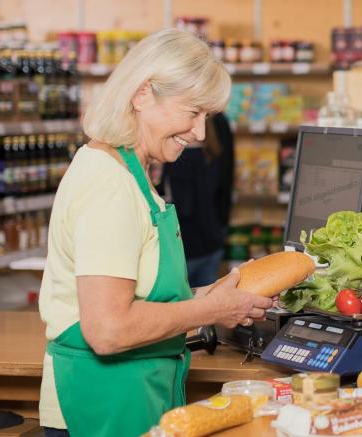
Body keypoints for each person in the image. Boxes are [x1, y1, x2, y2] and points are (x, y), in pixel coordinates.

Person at [37, 29, 274, 437]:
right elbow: (108, 329)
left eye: (207, 118)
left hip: (133, 396)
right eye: (192, 112)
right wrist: (213, 311)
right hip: (101, 407)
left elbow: (140, 299)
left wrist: (217, 295)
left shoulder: (127, 170)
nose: (200, 133)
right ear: (143, 94)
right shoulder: (110, 185)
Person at [159, 112, 234, 288]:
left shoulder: (177, 157)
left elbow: (182, 205)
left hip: (186, 246)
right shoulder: (216, 140)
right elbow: (225, 184)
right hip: (211, 240)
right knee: (208, 304)